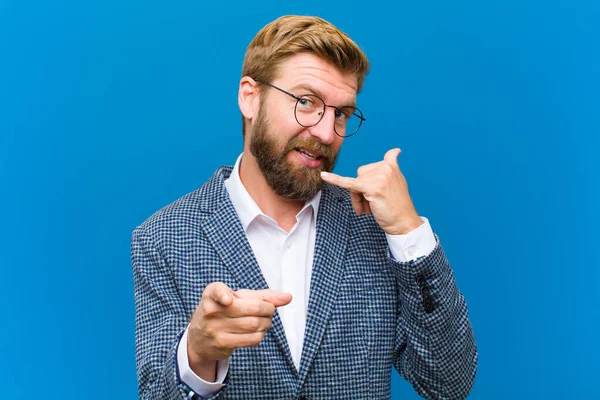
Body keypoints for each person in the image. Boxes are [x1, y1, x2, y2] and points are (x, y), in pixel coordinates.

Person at [131, 15, 477, 400]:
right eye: (306, 102)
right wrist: (197, 353)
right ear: (250, 96)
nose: (327, 133)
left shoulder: (374, 227)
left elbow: (450, 383)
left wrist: (409, 232)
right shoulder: (163, 238)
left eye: (341, 113)